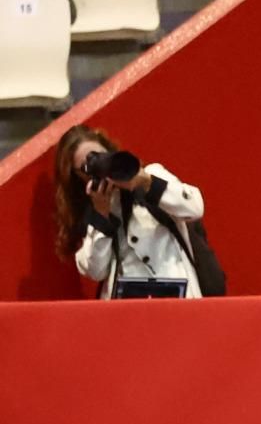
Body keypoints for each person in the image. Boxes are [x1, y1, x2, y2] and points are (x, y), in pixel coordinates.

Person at [53, 124, 208, 298]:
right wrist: (101, 217)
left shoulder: (151, 175)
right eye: (86, 166)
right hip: (127, 310)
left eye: (100, 156)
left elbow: (194, 208)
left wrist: (147, 182)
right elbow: (96, 271)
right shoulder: (92, 208)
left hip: (177, 300)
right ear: (79, 176)